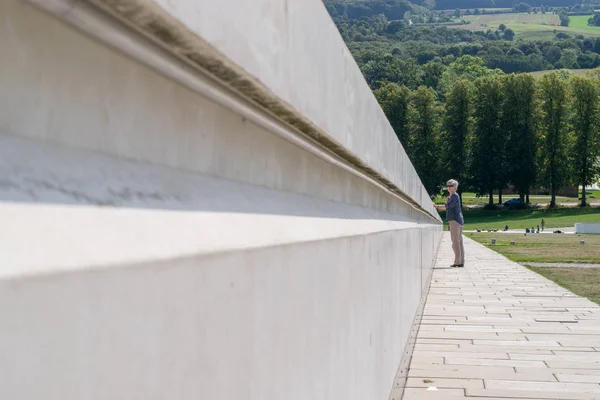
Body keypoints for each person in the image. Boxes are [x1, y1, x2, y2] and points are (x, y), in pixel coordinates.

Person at [445, 179, 464, 268]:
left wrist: (435, 206)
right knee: (459, 241)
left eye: (451, 185)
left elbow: (448, 207)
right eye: (448, 185)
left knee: (455, 242)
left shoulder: (454, 196)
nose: (449, 187)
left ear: (455, 187)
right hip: (457, 220)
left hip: (455, 221)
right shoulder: (452, 196)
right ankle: (460, 261)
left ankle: (457, 262)